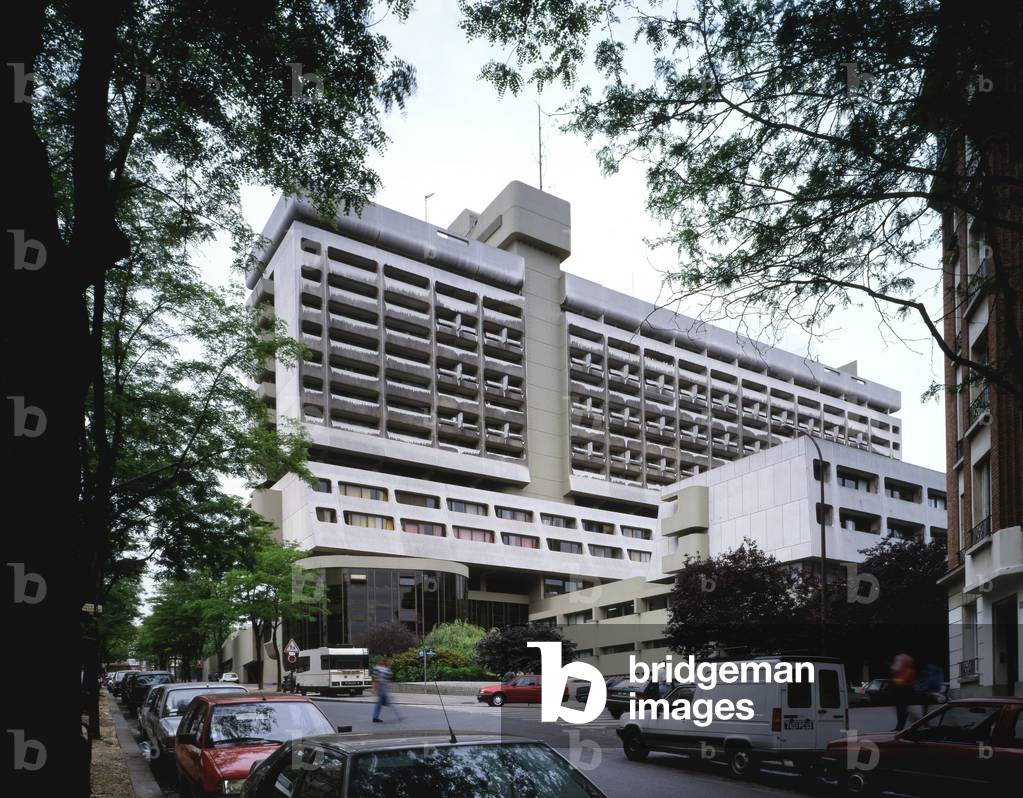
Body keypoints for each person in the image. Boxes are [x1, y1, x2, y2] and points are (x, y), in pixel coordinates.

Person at [890, 653, 917, 730]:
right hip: (901, 694)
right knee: (901, 711)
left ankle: (900, 728)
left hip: (904, 694)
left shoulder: (909, 671)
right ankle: (899, 727)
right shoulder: (903, 670)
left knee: (902, 711)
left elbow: (901, 681)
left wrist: (893, 679)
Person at [372, 657, 402, 723]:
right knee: (390, 701)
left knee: (379, 703)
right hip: (382, 687)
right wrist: (375, 689)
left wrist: (375, 688)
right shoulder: (379, 668)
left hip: (384, 687)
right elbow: (375, 679)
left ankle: (375, 717)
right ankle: (399, 715)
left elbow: (389, 677)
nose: (389, 662)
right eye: (388, 661)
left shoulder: (383, 669)